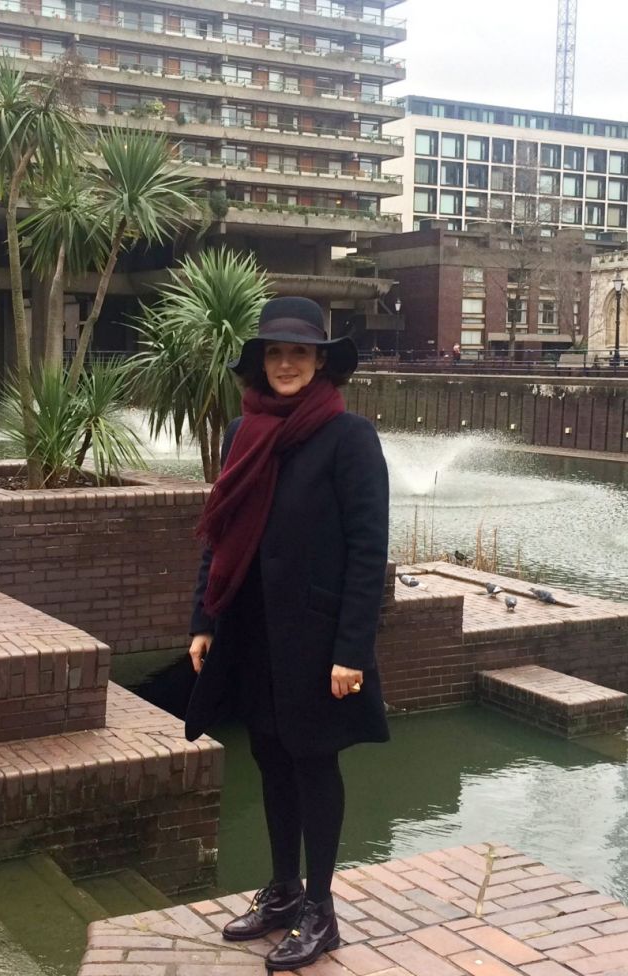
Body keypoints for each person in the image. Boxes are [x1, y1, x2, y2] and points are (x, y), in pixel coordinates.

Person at [185, 296, 390, 972]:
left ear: (321, 362)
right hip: (252, 629)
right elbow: (221, 533)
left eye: (299, 352)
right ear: (261, 362)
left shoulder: (349, 437)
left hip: (317, 637)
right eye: (275, 352)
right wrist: (204, 618)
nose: (286, 363)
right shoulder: (241, 433)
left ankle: (320, 910)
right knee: (270, 758)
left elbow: (368, 551)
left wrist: (351, 650)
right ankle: (282, 891)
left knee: (313, 762)